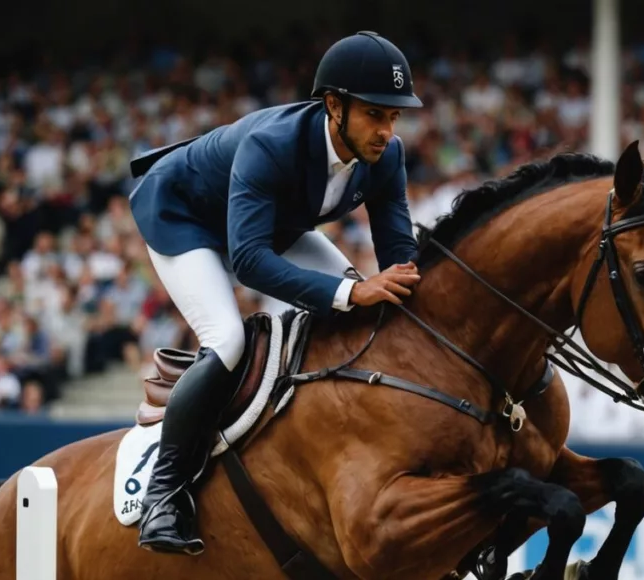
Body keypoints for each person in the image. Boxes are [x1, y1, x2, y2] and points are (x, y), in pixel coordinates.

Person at [127, 31, 424, 555]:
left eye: (394, 117)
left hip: (270, 225)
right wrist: (352, 295)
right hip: (185, 218)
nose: (386, 131)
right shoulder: (274, 144)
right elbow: (249, 262)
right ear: (334, 105)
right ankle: (164, 496)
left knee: (363, 298)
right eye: (376, 114)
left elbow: (403, 261)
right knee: (228, 339)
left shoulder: (387, 156)